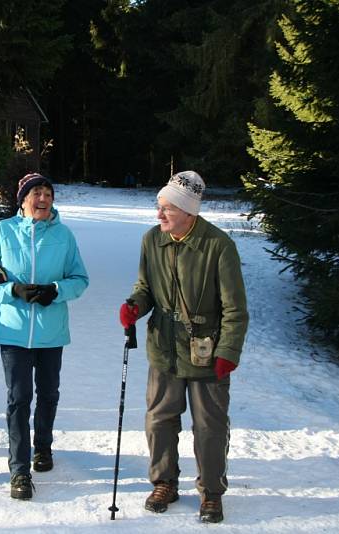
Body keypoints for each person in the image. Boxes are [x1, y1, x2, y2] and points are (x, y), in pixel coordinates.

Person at [119, 171, 248, 523]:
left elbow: (235, 309)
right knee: (159, 419)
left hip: (207, 352)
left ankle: (211, 492)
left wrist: (228, 352)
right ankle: (164, 483)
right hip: (163, 348)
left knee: (210, 426)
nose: (159, 215)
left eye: (168, 209)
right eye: (159, 207)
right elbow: (145, 286)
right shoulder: (152, 240)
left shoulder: (218, 246)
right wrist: (135, 304)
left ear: (189, 212)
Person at [0, 173, 89, 500]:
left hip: (52, 332)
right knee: (19, 397)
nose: (42, 199)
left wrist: (57, 290)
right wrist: (12, 290)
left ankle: (43, 448)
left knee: (49, 394)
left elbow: (80, 279)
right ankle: (19, 470)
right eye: (36, 193)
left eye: (47, 193)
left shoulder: (64, 236)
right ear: (22, 199)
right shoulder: (2, 232)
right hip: (13, 331)